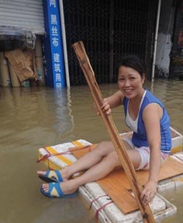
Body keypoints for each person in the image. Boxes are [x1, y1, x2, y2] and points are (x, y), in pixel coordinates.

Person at [38, 55, 171, 205]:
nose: (127, 84)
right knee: (102, 146)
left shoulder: (149, 107)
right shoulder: (124, 96)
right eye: (122, 79)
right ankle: (65, 173)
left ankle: (71, 185)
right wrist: (103, 106)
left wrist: (152, 182)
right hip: (137, 142)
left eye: (132, 78)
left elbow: (155, 145)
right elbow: (96, 107)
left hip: (156, 153)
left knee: (115, 156)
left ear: (143, 78)